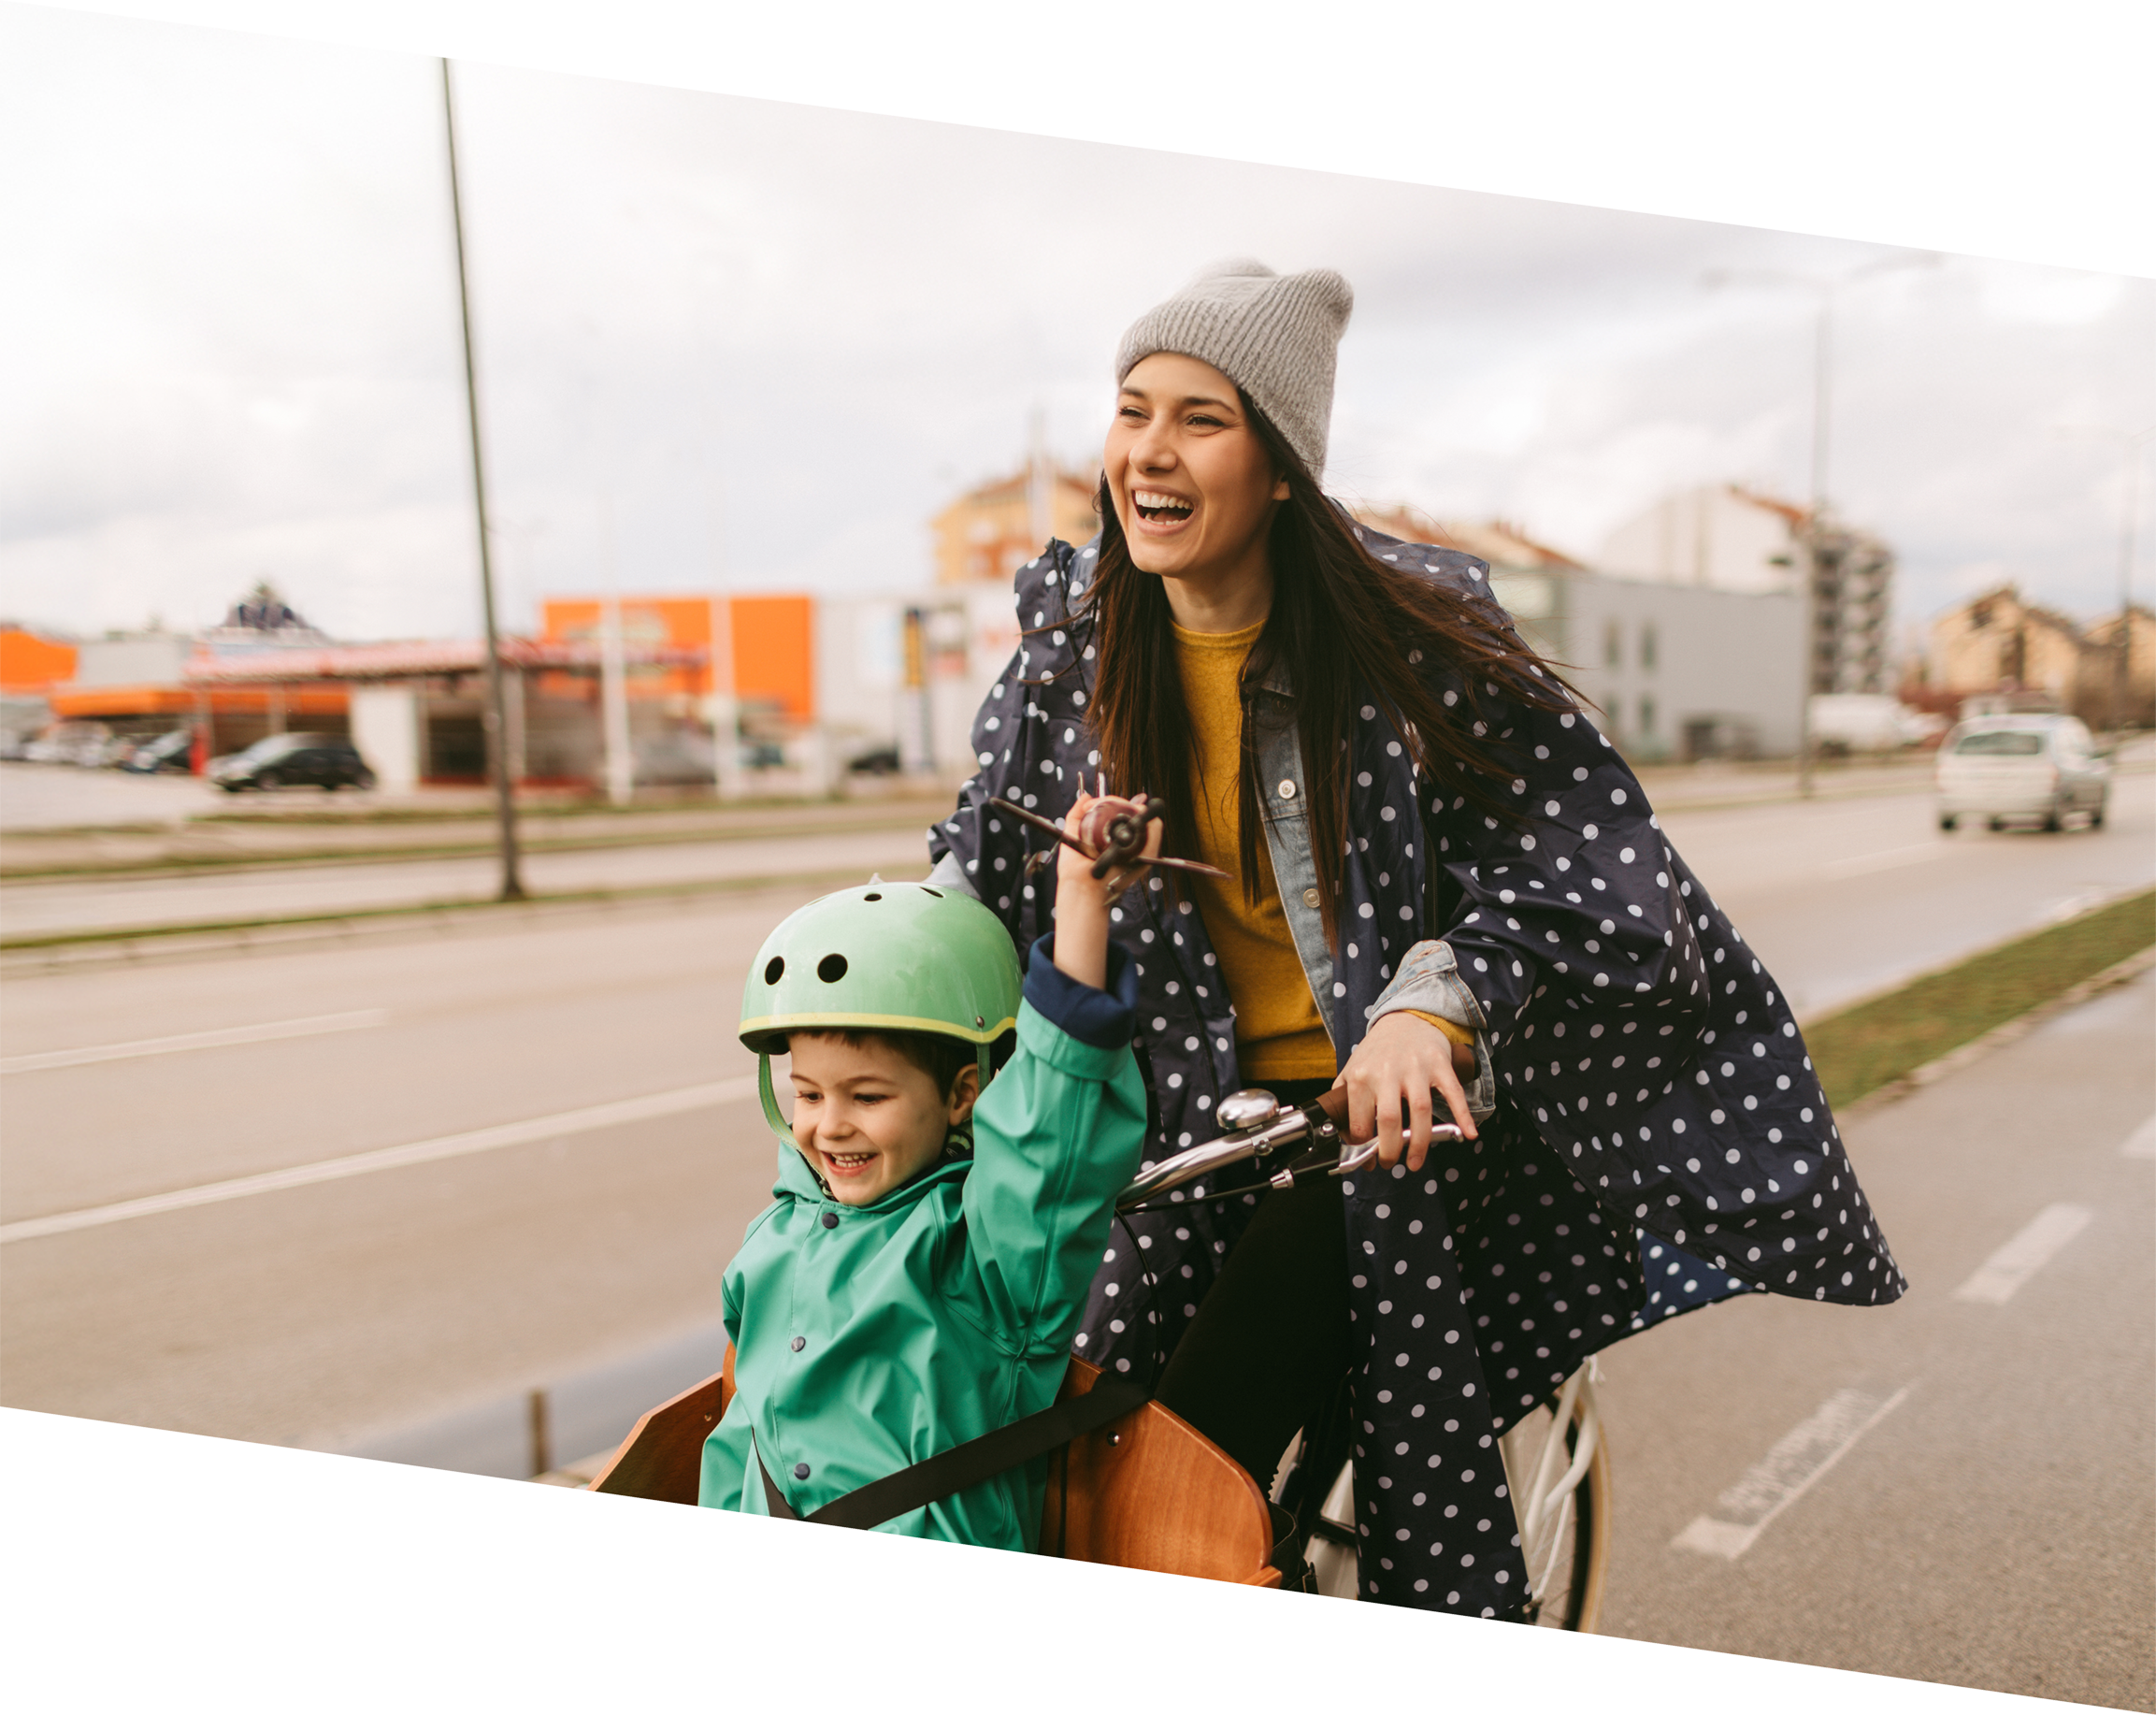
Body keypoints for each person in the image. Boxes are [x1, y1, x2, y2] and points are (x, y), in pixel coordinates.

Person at [927, 259, 1906, 1619]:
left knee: (1183, 1466)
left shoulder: (1406, 637)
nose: (1149, 449)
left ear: (1279, 467)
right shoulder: (1066, 647)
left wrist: (1424, 1004)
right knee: (1035, 1436)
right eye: (1131, 406)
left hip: (1364, 1128)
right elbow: (970, 882)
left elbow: (1589, 868)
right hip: (1150, 1130)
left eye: (1199, 418)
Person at [697, 795, 1158, 1591]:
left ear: (961, 1095)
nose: (829, 1126)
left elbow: (1052, 1131)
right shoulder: (774, 1239)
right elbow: (738, 1442)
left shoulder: (987, 1255)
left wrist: (1080, 897)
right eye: (807, 1094)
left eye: (867, 1097)